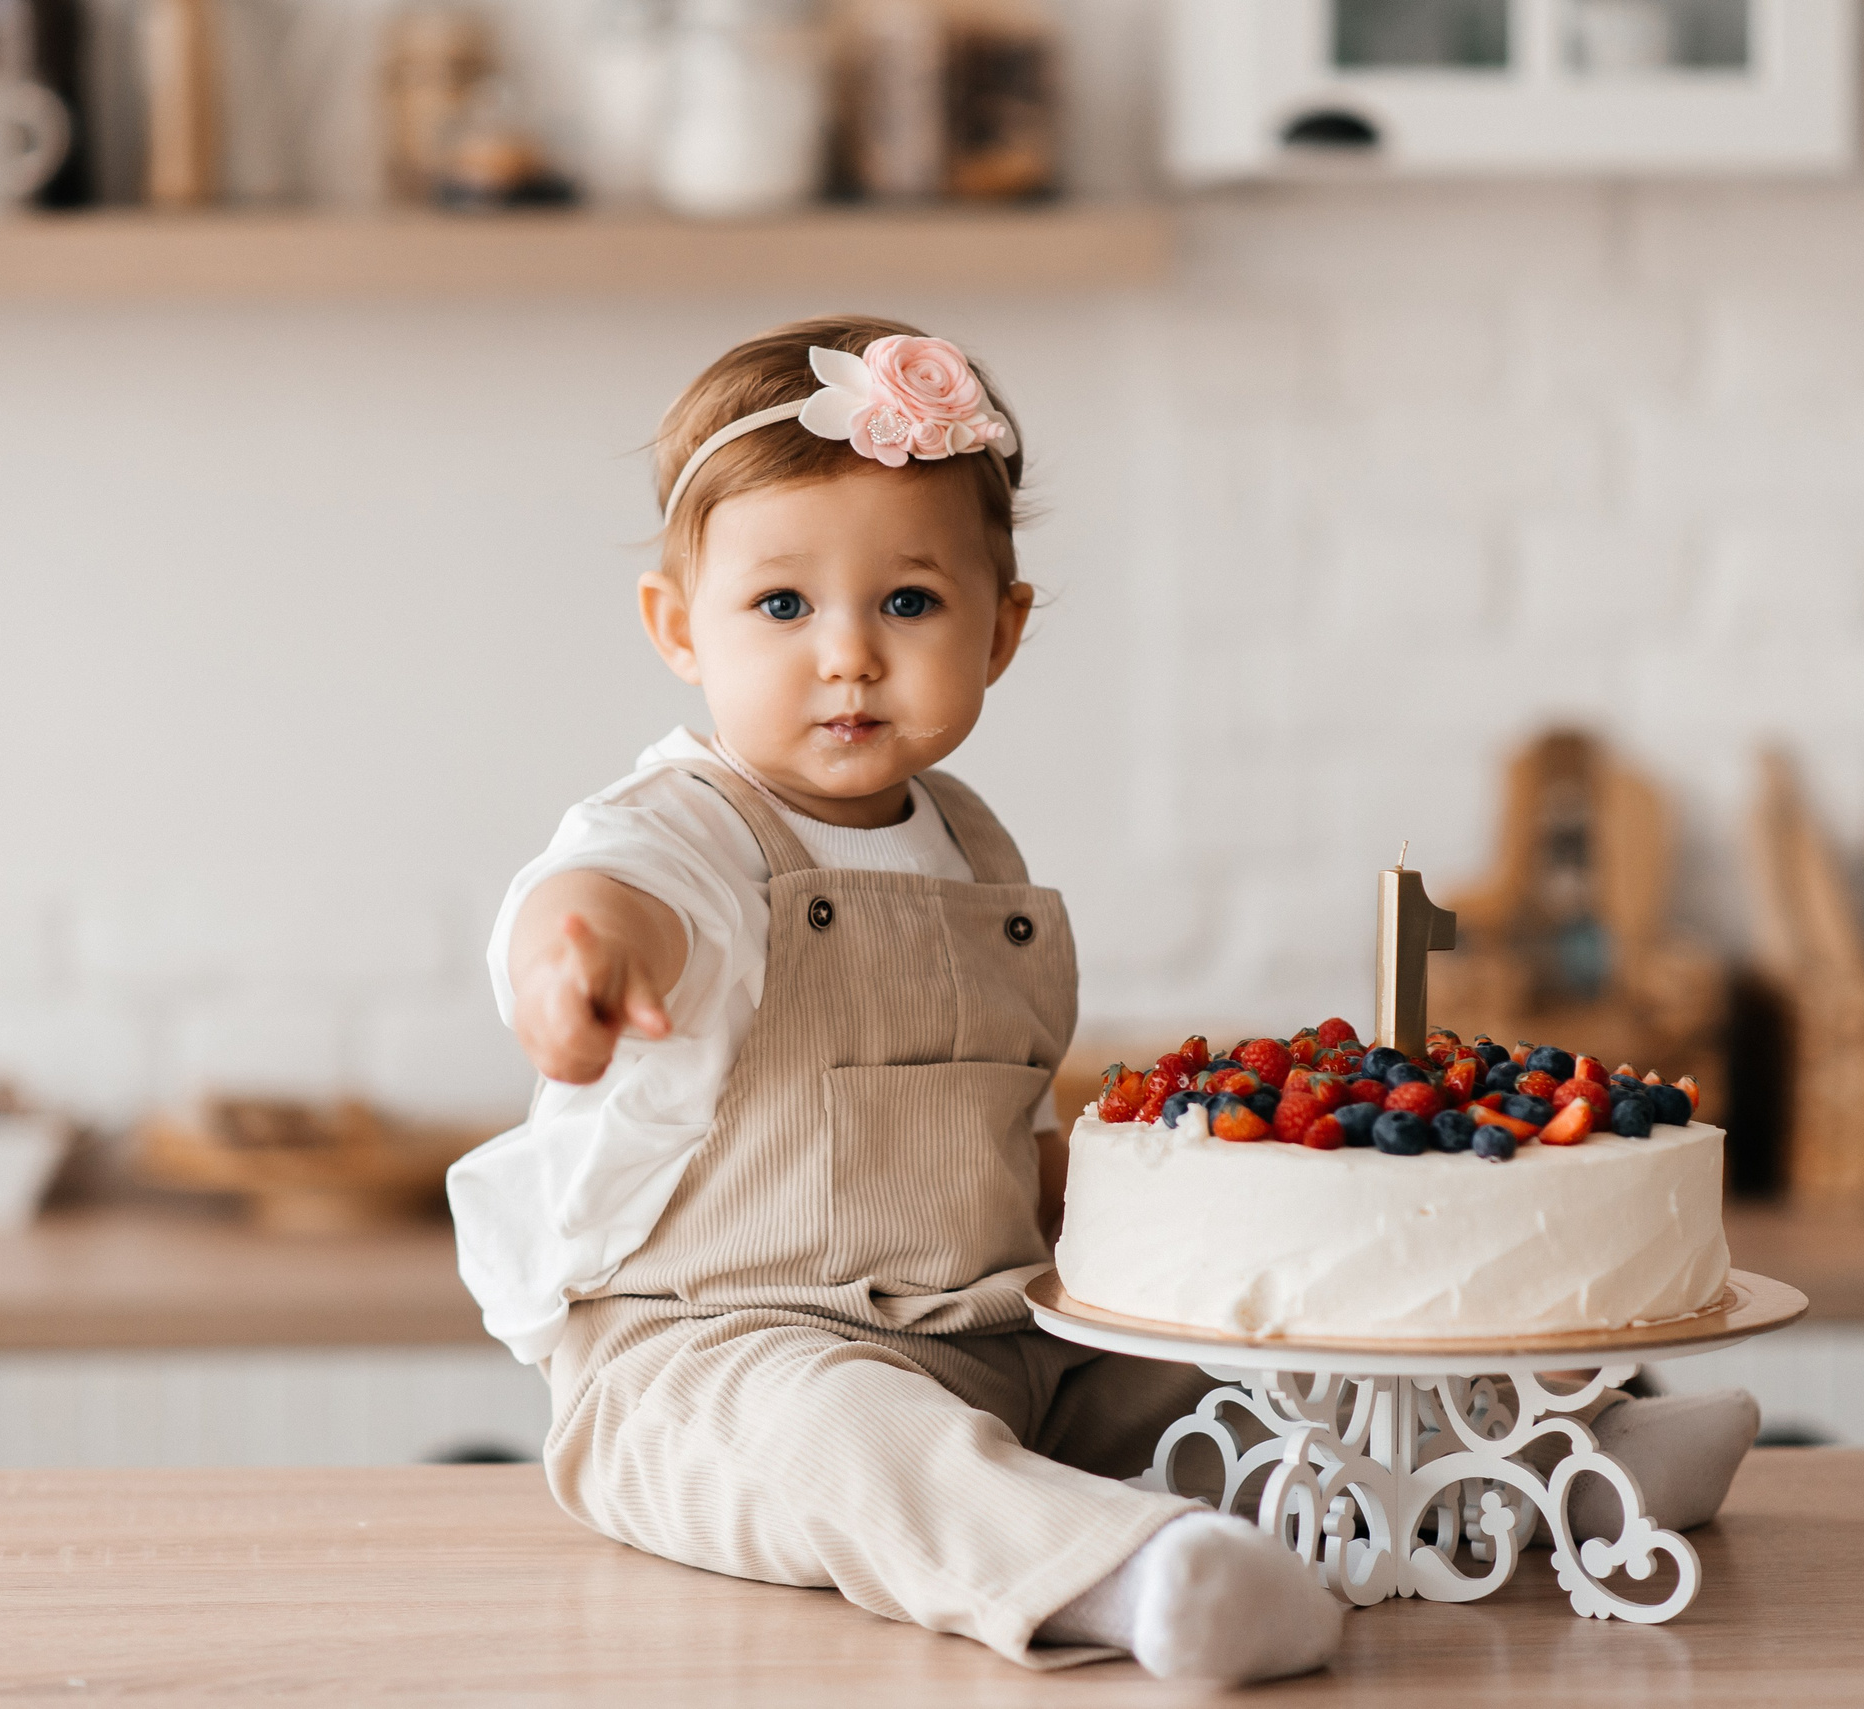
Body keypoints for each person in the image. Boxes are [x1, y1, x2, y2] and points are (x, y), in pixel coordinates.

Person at [446, 315, 1345, 1682]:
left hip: (990, 1337)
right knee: (852, 1442)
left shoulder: (973, 844)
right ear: (680, 627)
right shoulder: (685, 832)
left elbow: (979, 1119)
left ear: (1003, 629)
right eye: (784, 606)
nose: (848, 655)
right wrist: (574, 954)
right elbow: (600, 888)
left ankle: (1512, 1480)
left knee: (1231, 1360)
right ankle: (1135, 1578)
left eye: (909, 603)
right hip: (716, 1359)